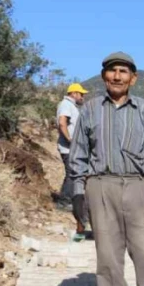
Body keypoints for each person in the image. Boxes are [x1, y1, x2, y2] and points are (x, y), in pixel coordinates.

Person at [69, 52, 144, 286]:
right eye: (112, 71)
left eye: (123, 71)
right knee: (108, 255)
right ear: (104, 77)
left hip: (139, 186)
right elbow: (78, 154)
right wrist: (78, 193)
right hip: (101, 186)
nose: (117, 76)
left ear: (133, 78)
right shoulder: (89, 110)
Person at [57, 83, 89, 241]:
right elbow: (62, 122)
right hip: (68, 148)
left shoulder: (72, 106)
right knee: (71, 173)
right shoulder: (66, 105)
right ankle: (64, 201)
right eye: (81, 94)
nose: (82, 97)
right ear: (74, 93)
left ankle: (68, 199)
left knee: (73, 173)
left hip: (73, 148)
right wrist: (70, 140)